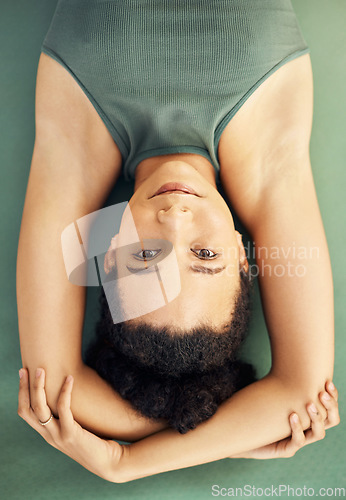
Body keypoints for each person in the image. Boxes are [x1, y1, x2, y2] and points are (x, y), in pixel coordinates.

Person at [17, 0, 339, 482]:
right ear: (244, 258)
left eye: (146, 256)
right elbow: (300, 394)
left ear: (107, 256)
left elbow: (54, 387)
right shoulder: (270, 165)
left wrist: (129, 461)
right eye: (206, 256)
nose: (176, 220)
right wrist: (211, 435)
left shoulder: (75, 144)